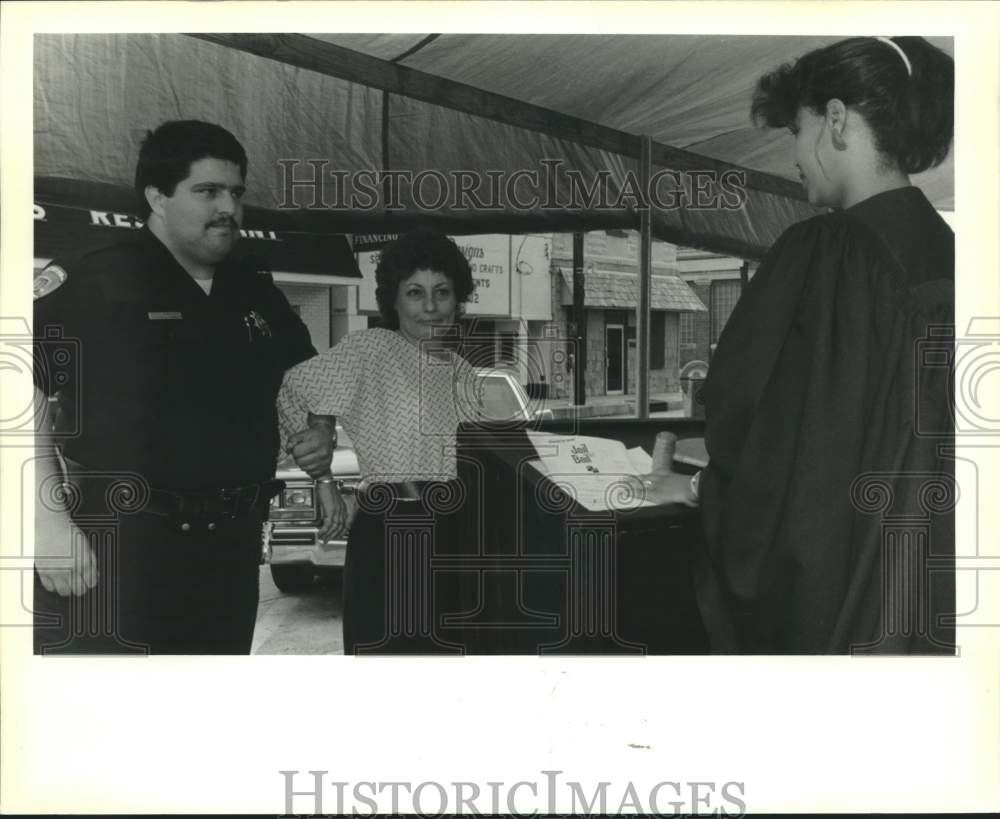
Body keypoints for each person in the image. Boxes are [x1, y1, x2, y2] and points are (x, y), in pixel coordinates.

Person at [645, 37, 955, 654]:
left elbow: (772, 447)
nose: (794, 154)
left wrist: (700, 490)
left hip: (844, 607)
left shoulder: (825, 255)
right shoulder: (955, 255)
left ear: (836, 120)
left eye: (796, 127)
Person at [32, 120, 334, 654]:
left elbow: (309, 376)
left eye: (236, 193)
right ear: (157, 196)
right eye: (207, 191)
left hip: (230, 553)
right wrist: (44, 522)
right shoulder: (96, 277)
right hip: (119, 548)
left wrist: (320, 430)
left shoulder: (251, 285)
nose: (228, 208)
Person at [278, 227, 478, 655]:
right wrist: (323, 479)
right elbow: (300, 390)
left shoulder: (466, 374)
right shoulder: (372, 349)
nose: (430, 307)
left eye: (442, 292)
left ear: (457, 298)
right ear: (393, 300)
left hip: (459, 536)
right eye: (414, 293)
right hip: (389, 532)